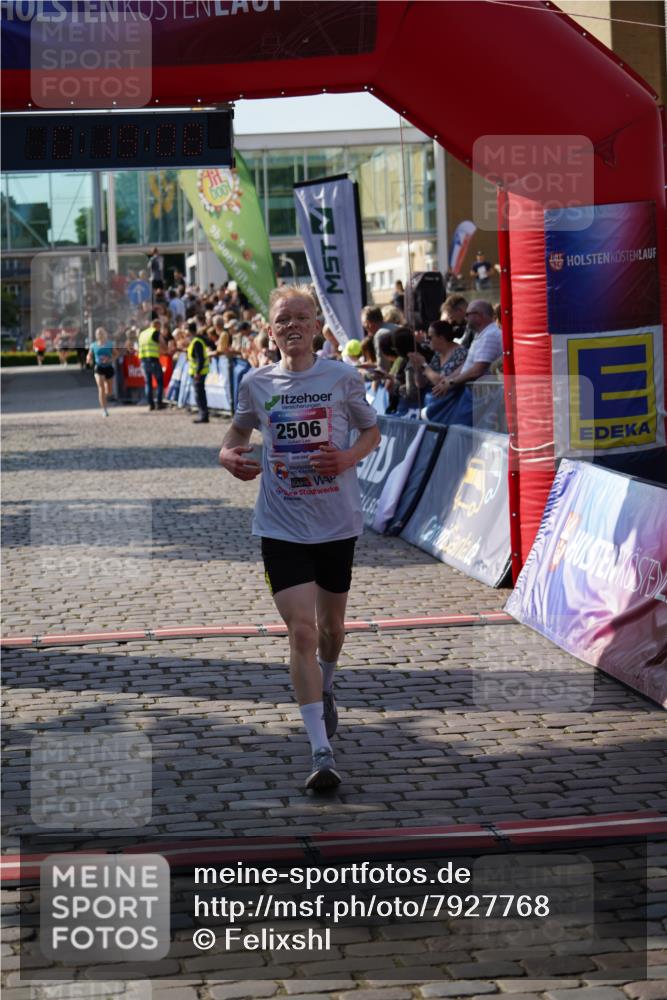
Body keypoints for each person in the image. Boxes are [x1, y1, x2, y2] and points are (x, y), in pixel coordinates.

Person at [218, 287, 380, 793]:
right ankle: (320, 751)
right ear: (270, 331)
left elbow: (372, 433)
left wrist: (347, 458)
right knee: (302, 633)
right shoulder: (255, 382)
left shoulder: (341, 376)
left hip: (336, 522)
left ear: (316, 328)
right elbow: (235, 438)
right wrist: (229, 458)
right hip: (280, 525)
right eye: (282, 319)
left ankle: (326, 688)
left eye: (301, 318)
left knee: (332, 630)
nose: (292, 326)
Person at [424, 300, 502, 424]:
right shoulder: (482, 334)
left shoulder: (490, 335)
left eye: (468, 314)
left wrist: (451, 382)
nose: (465, 318)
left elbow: (478, 369)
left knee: (463, 432)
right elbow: (468, 365)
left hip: (482, 396)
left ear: (479, 315)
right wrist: (449, 379)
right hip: (474, 394)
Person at [137, 313, 165, 411]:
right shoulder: (155, 332)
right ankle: (159, 403)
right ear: (157, 325)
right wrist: (165, 351)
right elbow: (162, 344)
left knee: (148, 383)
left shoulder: (142, 333)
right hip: (153, 360)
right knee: (159, 382)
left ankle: (151, 404)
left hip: (143, 361)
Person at [86, 327, 116, 417]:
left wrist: (110, 359)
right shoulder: (93, 345)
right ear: (96, 335)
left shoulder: (110, 344)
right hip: (98, 368)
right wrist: (89, 359)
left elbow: (116, 354)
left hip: (109, 367)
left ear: (105, 334)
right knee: (101, 388)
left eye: (101, 333)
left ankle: (107, 395)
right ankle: (104, 410)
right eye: (98, 333)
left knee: (109, 391)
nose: (99, 334)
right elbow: (89, 355)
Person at [187, 320, 210, 424]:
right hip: (198, 372)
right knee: (199, 394)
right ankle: (203, 414)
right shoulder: (196, 341)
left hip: (199, 373)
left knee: (199, 394)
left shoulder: (196, 342)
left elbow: (200, 359)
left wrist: (197, 372)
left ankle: (203, 415)